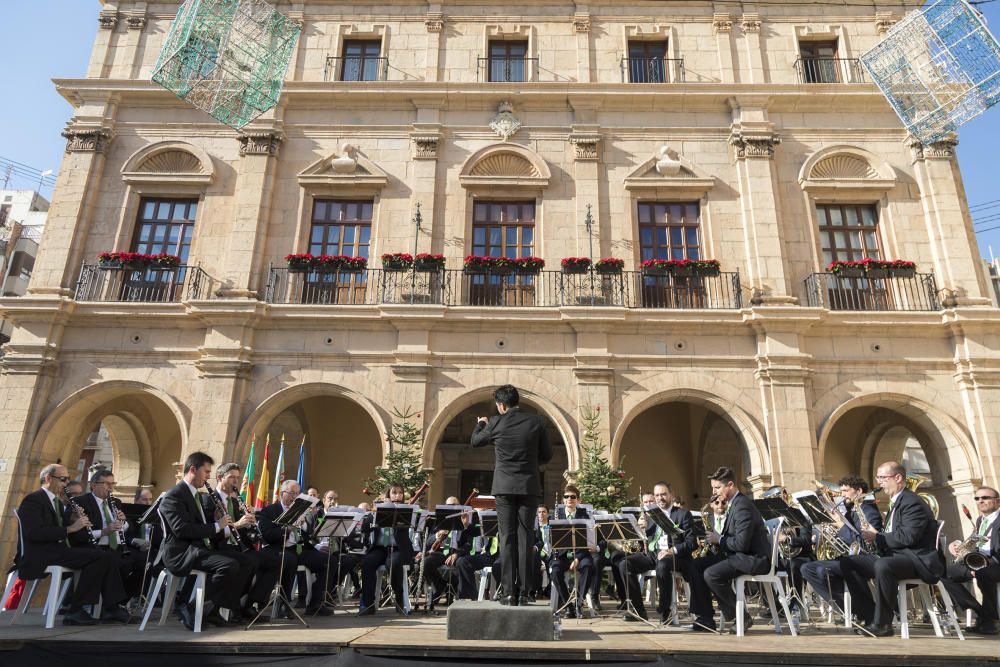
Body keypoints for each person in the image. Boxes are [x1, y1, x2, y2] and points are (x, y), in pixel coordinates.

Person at [840, 461, 944, 637]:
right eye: (878, 477)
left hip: (916, 559)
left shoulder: (912, 502)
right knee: (849, 562)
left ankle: (883, 624)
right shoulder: (896, 501)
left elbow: (908, 537)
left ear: (898, 478)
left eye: (883, 477)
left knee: (883, 565)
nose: (879, 482)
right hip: (897, 555)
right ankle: (869, 614)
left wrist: (877, 536)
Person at [16, 463, 129, 625]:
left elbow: (58, 527)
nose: (66, 483)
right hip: (41, 553)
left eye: (68, 479)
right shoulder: (34, 500)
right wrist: (70, 528)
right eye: (63, 479)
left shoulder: (57, 502)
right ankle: (76, 610)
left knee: (106, 556)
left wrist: (74, 519)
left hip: (57, 550)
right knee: (99, 557)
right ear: (48, 479)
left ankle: (110, 608)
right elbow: (33, 533)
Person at [471, 384, 553, 605]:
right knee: (526, 538)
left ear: (501, 405)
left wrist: (481, 424)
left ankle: (508, 592)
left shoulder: (496, 421)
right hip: (529, 486)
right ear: (517, 401)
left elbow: (476, 441)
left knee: (507, 538)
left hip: (504, 488)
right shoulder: (536, 422)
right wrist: (530, 463)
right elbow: (547, 455)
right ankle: (525, 592)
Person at [159, 452, 254, 630]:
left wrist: (218, 523)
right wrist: (217, 525)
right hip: (181, 552)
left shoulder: (196, 495)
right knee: (228, 565)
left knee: (247, 561)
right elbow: (181, 529)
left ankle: (212, 609)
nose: (209, 476)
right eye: (206, 472)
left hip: (199, 548)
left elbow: (203, 527)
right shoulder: (175, 495)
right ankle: (190, 606)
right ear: (193, 469)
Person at [688, 466, 771, 633]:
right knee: (695, 565)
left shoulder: (742, 506)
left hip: (753, 559)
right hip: (738, 556)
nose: (714, 491)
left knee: (711, 574)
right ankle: (705, 617)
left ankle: (741, 615)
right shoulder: (734, 504)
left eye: (717, 487)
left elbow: (741, 544)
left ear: (730, 485)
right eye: (713, 488)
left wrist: (719, 539)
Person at [801, 476, 883, 615]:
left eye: (846, 491)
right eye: (842, 491)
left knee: (822, 571)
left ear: (859, 491)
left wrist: (840, 526)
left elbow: (865, 544)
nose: (842, 495)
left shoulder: (869, 511)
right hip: (850, 557)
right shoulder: (851, 511)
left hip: (866, 559)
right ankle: (847, 609)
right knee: (808, 568)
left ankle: (863, 611)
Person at [619, 482, 696, 623]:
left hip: (675, 556)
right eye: (657, 495)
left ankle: (665, 610)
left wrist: (672, 550)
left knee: (663, 564)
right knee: (625, 563)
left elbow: (692, 543)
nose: (660, 498)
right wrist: (640, 528)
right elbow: (646, 542)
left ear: (671, 496)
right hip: (654, 554)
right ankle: (639, 610)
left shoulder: (683, 514)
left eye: (663, 494)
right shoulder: (651, 516)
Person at [257, 479, 334, 617]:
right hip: (279, 548)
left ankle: (315, 604)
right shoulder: (270, 511)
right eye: (292, 493)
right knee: (289, 560)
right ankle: (284, 604)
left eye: (297, 494)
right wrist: (288, 528)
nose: (295, 497)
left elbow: (308, 534)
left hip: (300, 549)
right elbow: (268, 535)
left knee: (329, 561)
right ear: (282, 493)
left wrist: (304, 526)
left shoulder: (302, 510)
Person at [73, 468, 144, 601]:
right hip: (96, 547)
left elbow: (130, 526)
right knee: (118, 563)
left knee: (144, 562)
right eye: (106, 484)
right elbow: (78, 535)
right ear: (93, 485)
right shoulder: (81, 502)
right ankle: (111, 606)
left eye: (112, 484)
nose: (110, 488)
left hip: (117, 547)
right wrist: (104, 532)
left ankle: (123, 600)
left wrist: (123, 522)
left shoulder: (115, 502)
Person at [940, 485, 1000, 635]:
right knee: (944, 574)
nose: (980, 501)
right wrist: (958, 544)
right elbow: (975, 541)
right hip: (980, 562)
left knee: (983, 574)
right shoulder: (980, 520)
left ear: (998, 501)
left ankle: (990, 620)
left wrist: (983, 564)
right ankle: (981, 613)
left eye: (985, 498)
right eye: (977, 498)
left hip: (995, 563)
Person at [358, 482, 415, 615]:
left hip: (398, 549)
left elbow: (411, 527)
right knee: (367, 563)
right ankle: (368, 603)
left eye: (400, 492)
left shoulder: (406, 510)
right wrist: (374, 512)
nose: (397, 495)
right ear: (388, 494)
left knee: (393, 564)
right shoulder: (378, 508)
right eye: (394, 492)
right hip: (380, 548)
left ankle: (399, 598)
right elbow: (364, 528)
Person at [549, 484, 594, 617]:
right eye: (566, 497)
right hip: (562, 556)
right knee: (555, 571)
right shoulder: (556, 516)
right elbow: (553, 542)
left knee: (588, 566)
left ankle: (579, 602)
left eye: (573, 497)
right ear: (563, 500)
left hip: (581, 554)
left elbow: (588, 541)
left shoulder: (585, 516)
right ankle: (568, 606)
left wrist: (577, 558)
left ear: (579, 500)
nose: (569, 499)